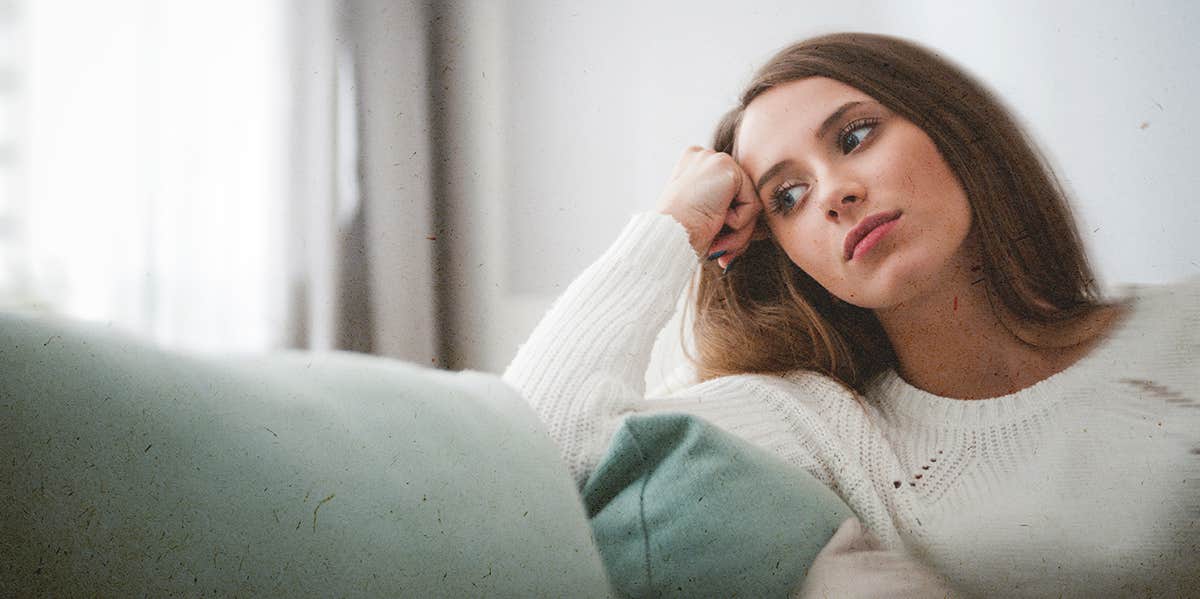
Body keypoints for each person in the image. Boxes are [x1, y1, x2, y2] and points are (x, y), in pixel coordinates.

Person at [503, 32, 1200, 598]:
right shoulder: (823, 424)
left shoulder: (1182, 327)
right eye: (788, 196)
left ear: (952, 127)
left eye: (856, 135)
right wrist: (674, 225)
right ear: (790, 253)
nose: (833, 193)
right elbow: (533, 458)